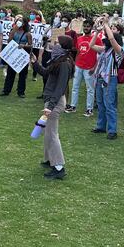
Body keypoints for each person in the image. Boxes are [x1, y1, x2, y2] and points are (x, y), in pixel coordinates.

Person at [31, 35, 74, 180]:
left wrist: (50, 106)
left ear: (62, 47)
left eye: (57, 43)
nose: (54, 45)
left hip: (54, 102)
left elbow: (60, 87)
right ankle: (50, 160)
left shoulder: (63, 64)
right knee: (49, 133)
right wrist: (35, 63)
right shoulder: (58, 60)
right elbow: (45, 73)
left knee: (52, 134)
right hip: (52, 101)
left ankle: (59, 167)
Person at [90, 20, 124, 139]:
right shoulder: (104, 50)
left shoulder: (118, 51)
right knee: (100, 103)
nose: (105, 42)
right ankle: (101, 126)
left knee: (109, 104)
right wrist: (97, 32)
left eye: (107, 41)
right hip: (100, 78)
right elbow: (91, 45)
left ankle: (112, 130)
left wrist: (106, 25)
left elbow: (112, 40)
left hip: (111, 78)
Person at [66, 20, 102, 116]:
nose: (86, 28)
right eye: (85, 26)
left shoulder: (97, 39)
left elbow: (101, 55)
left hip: (90, 67)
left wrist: (94, 67)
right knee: (75, 87)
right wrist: (75, 63)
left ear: (92, 27)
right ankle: (73, 106)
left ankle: (89, 109)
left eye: (88, 26)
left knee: (90, 89)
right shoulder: (79, 38)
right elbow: (78, 51)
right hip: (78, 66)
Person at [0, 16, 32, 98]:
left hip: (22, 56)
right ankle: (6, 90)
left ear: (24, 23)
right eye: (18, 20)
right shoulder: (13, 31)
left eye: (21, 21)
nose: (19, 22)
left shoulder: (27, 34)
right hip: (13, 55)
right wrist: (13, 31)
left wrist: (24, 46)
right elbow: (9, 41)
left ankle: (21, 92)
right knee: (10, 73)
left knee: (22, 75)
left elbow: (31, 45)